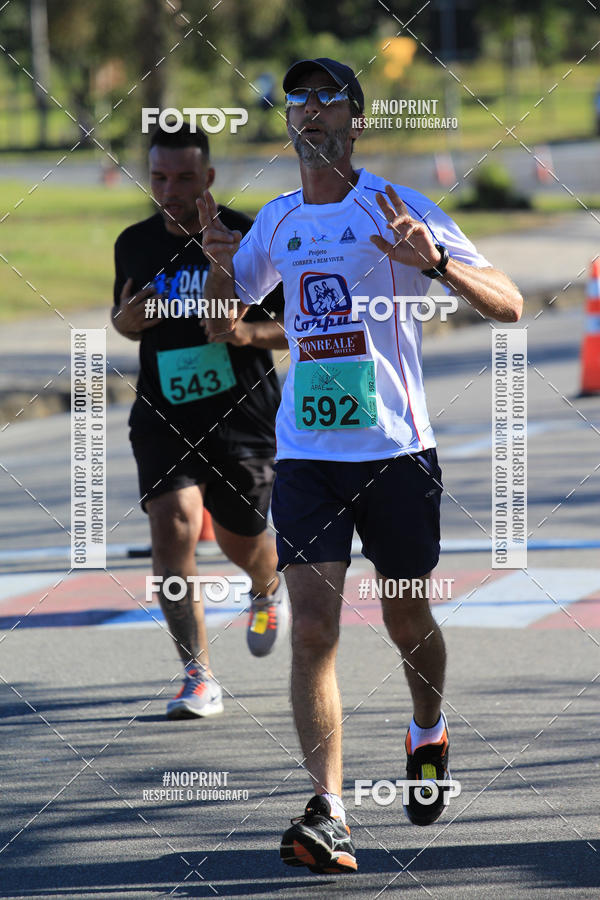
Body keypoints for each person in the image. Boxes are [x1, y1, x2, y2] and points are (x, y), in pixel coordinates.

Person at [197, 58, 523, 873]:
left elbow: (511, 302)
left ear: (357, 120)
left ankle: (428, 730)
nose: (309, 110)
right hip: (307, 456)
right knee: (313, 629)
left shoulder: (397, 206)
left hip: (396, 453)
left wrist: (436, 262)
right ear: (288, 123)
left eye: (327, 97)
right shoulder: (274, 222)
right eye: (297, 99)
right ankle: (330, 811)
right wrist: (214, 268)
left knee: (409, 621)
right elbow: (218, 326)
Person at [111, 123, 290, 720]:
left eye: (184, 177)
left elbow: (295, 325)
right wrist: (128, 324)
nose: (170, 190)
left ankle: (266, 587)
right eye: (159, 177)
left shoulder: (247, 235)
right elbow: (124, 316)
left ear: (208, 177)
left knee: (243, 537)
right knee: (175, 528)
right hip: (163, 413)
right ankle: (198, 674)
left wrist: (243, 331)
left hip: (241, 412)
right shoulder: (134, 243)